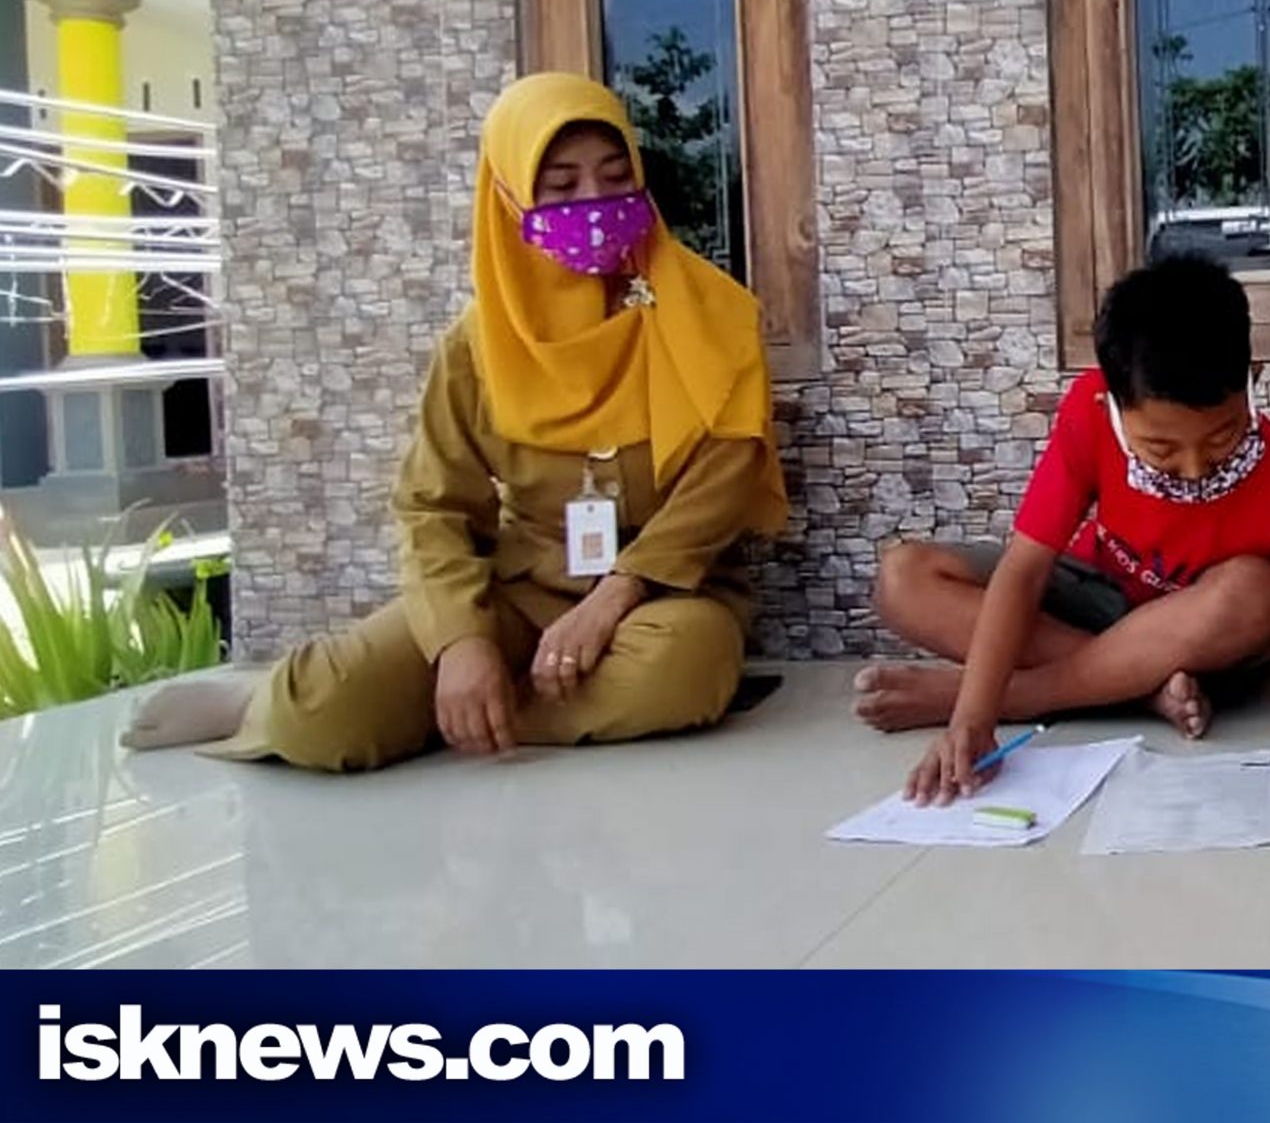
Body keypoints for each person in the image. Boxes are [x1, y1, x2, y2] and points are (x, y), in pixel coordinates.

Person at [123, 72, 789, 770]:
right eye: (561, 187)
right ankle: (271, 700)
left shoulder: (710, 315)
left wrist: (615, 595)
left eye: (616, 177)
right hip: (521, 592)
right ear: (509, 197)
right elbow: (432, 505)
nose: (594, 202)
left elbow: (725, 476)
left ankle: (458, 716)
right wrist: (463, 643)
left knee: (681, 672)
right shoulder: (477, 347)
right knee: (322, 714)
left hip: (661, 597)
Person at [855, 255, 1270, 803]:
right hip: (1099, 607)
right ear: (1112, 400)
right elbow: (1025, 570)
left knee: (1255, 591)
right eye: (1161, 449)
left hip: (1203, 650)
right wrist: (970, 720)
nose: (1194, 469)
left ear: (1253, 380)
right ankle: (1142, 692)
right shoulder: (1089, 411)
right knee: (903, 577)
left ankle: (1028, 695)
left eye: (1222, 437)